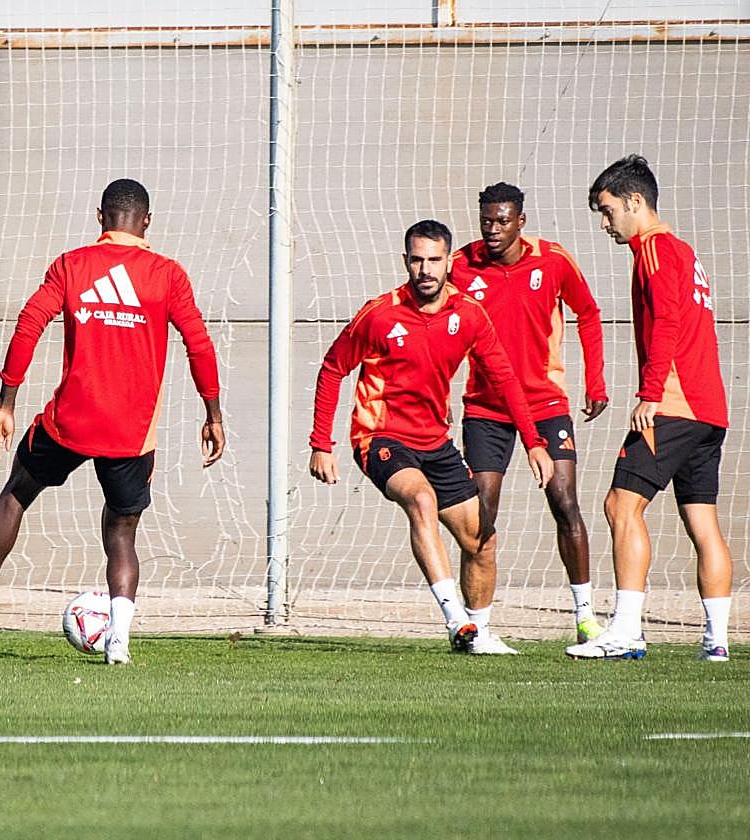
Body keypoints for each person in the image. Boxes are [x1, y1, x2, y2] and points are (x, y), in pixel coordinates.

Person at [0, 178, 224, 665]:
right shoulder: (167, 274)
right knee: (121, 533)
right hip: (131, 433)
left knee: (16, 493)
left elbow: (29, 323)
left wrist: (7, 402)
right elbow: (198, 342)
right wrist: (212, 412)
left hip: (68, 422)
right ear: (147, 222)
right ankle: (118, 641)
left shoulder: (73, 265)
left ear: (100, 217)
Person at [309, 219, 553, 654]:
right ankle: (455, 619)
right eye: (417, 260)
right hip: (379, 436)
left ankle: (478, 634)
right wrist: (321, 444)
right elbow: (332, 369)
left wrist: (534, 441)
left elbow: (504, 379)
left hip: (435, 442)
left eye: (434, 260)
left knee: (483, 540)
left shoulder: (468, 315)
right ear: (406, 261)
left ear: (448, 262)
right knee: (421, 500)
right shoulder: (379, 313)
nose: (425, 269)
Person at [567, 155, 733, 662]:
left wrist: (651, 392)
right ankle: (718, 641)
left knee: (621, 505)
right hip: (710, 411)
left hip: (675, 405)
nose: (604, 223)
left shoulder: (656, 250)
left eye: (607, 209)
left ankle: (625, 630)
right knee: (702, 522)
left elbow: (666, 324)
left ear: (635, 202)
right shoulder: (686, 252)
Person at [453, 182, 609, 646]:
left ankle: (585, 619)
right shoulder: (461, 265)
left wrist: (595, 382)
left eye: (502, 221)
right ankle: (477, 628)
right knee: (480, 513)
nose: (493, 230)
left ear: (521, 220)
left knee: (565, 502)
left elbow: (589, 312)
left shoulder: (553, 260)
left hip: (545, 404)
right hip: (486, 408)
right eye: (486, 221)